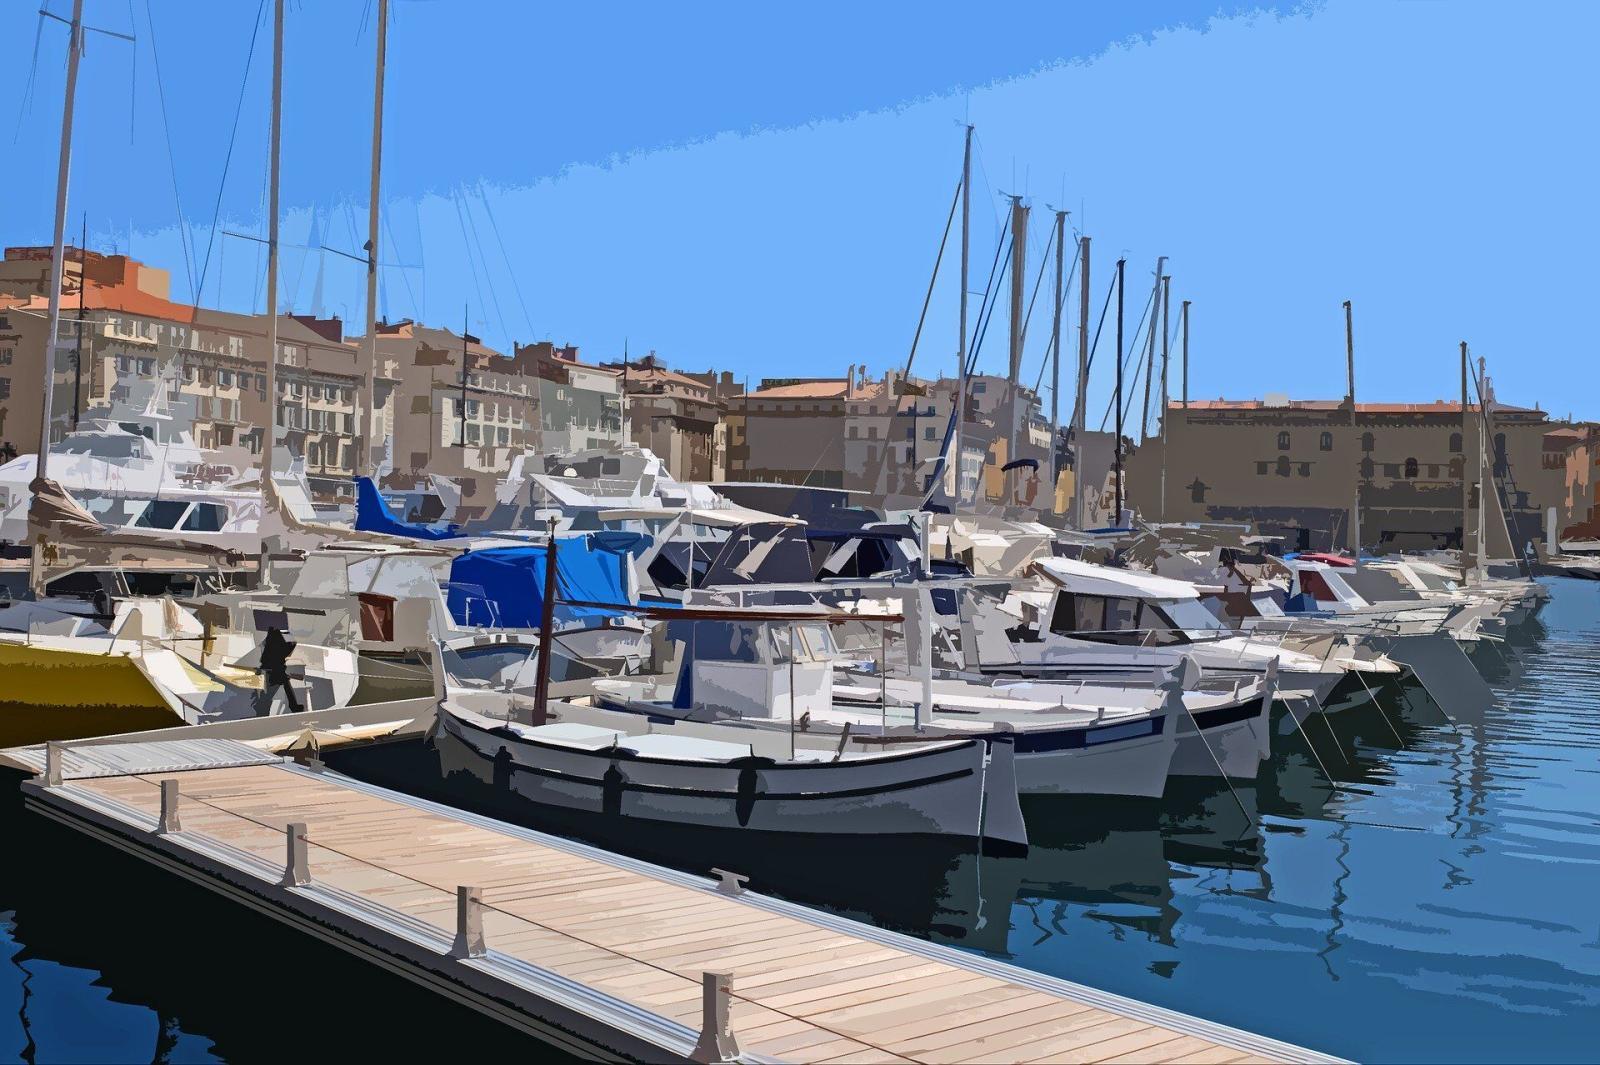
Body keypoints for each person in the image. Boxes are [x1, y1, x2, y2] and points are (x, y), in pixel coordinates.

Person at [256, 627, 303, 716]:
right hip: (275, 668)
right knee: (276, 689)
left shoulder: (272, 634)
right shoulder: (277, 636)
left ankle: (293, 706)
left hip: (271, 667)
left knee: (272, 690)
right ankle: (293, 707)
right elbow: (289, 647)